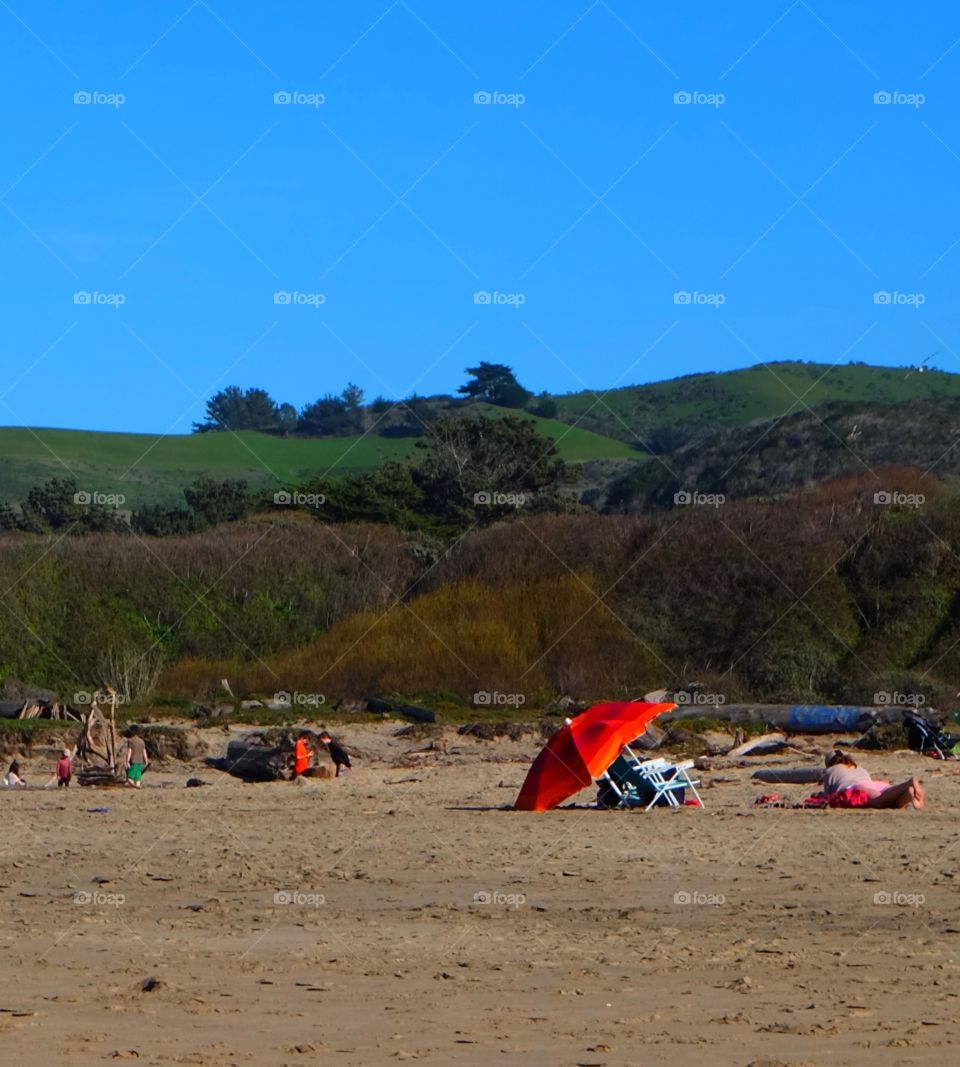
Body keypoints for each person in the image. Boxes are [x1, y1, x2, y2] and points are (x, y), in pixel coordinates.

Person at [821, 750, 924, 809]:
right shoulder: (858, 767)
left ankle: (908, 783)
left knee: (880, 801)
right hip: (873, 785)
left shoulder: (830, 771)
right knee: (892, 802)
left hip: (856, 788)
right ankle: (908, 794)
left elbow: (827, 796)